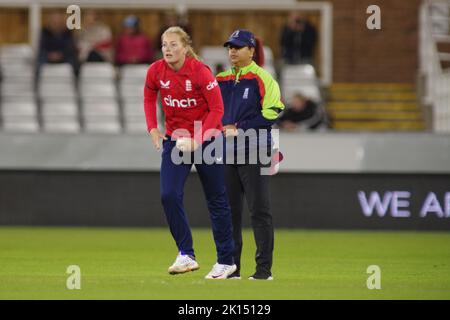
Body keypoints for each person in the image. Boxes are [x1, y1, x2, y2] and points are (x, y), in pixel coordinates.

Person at [143, 26, 236, 279]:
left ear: (185, 48)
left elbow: (217, 109)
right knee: (168, 195)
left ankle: (226, 261)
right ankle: (186, 254)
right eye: (164, 45)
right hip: (175, 139)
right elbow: (149, 95)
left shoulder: (200, 71)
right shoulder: (155, 71)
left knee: (216, 200)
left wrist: (198, 139)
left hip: (207, 138)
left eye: (174, 45)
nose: (168, 49)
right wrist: (152, 127)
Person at [217, 29, 285, 280]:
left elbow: (274, 111)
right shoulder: (221, 79)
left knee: (259, 211)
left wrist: (241, 127)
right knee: (230, 213)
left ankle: (263, 270)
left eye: (237, 46)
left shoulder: (263, 78)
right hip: (226, 152)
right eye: (229, 47)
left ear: (251, 51)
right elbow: (211, 110)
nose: (232, 51)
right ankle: (232, 268)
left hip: (256, 151)